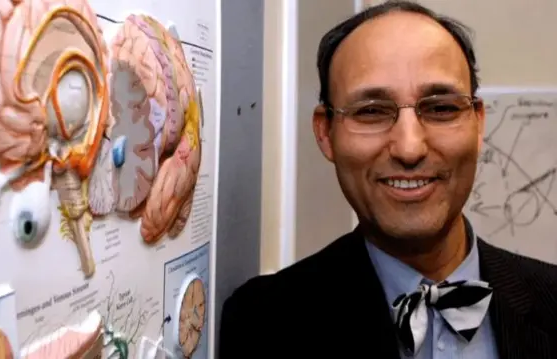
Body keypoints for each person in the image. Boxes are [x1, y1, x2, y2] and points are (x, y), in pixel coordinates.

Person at [219, 1, 557, 358]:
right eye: (371, 112)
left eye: (441, 108)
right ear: (325, 132)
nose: (410, 148)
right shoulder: (263, 323)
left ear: (477, 124)